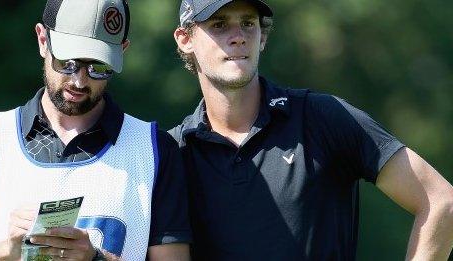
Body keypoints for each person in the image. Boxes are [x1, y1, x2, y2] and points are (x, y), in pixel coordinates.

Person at [170, 0, 453, 260]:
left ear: (263, 36)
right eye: (219, 25)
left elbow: (441, 201)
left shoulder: (323, 118)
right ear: (185, 40)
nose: (239, 36)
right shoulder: (171, 153)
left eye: (248, 23)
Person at [0, 0, 191, 260]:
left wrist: (95, 258)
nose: (79, 81)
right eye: (68, 62)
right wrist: (6, 251)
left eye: (99, 67)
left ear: (122, 51)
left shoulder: (155, 149)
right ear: (42, 40)